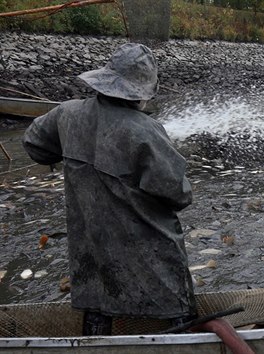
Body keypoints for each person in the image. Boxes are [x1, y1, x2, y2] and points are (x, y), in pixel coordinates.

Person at [22, 43, 197, 335]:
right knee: (175, 308)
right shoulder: (145, 130)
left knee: (98, 300)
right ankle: (182, 333)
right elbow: (178, 194)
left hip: (90, 246)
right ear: (141, 92)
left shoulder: (66, 114)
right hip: (152, 251)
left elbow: (35, 145)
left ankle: (95, 340)